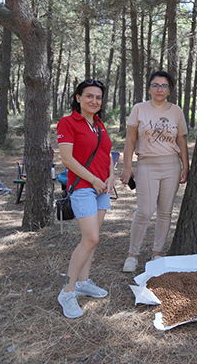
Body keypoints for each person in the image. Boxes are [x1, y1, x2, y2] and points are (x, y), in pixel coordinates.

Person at [120, 71, 189, 272]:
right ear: (149, 88)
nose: (160, 89)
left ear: (169, 90)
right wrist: (127, 167)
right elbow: (130, 140)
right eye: (156, 85)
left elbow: (181, 140)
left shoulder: (176, 111)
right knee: (144, 211)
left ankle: (157, 253)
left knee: (165, 212)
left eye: (164, 86)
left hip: (171, 165)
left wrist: (186, 166)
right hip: (146, 164)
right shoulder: (139, 109)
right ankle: (133, 255)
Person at [56, 79, 114, 319]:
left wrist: (110, 176)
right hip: (83, 187)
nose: (94, 101)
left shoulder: (99, 124)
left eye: (98, 97)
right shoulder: (68, 122)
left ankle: (83, 282)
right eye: (89, 96)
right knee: (91, 238)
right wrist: (94, 179)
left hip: (102, 188)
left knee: (91, 240)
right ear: (78, 98)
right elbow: (67, 159)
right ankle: (67, 291)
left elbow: (107, 154)